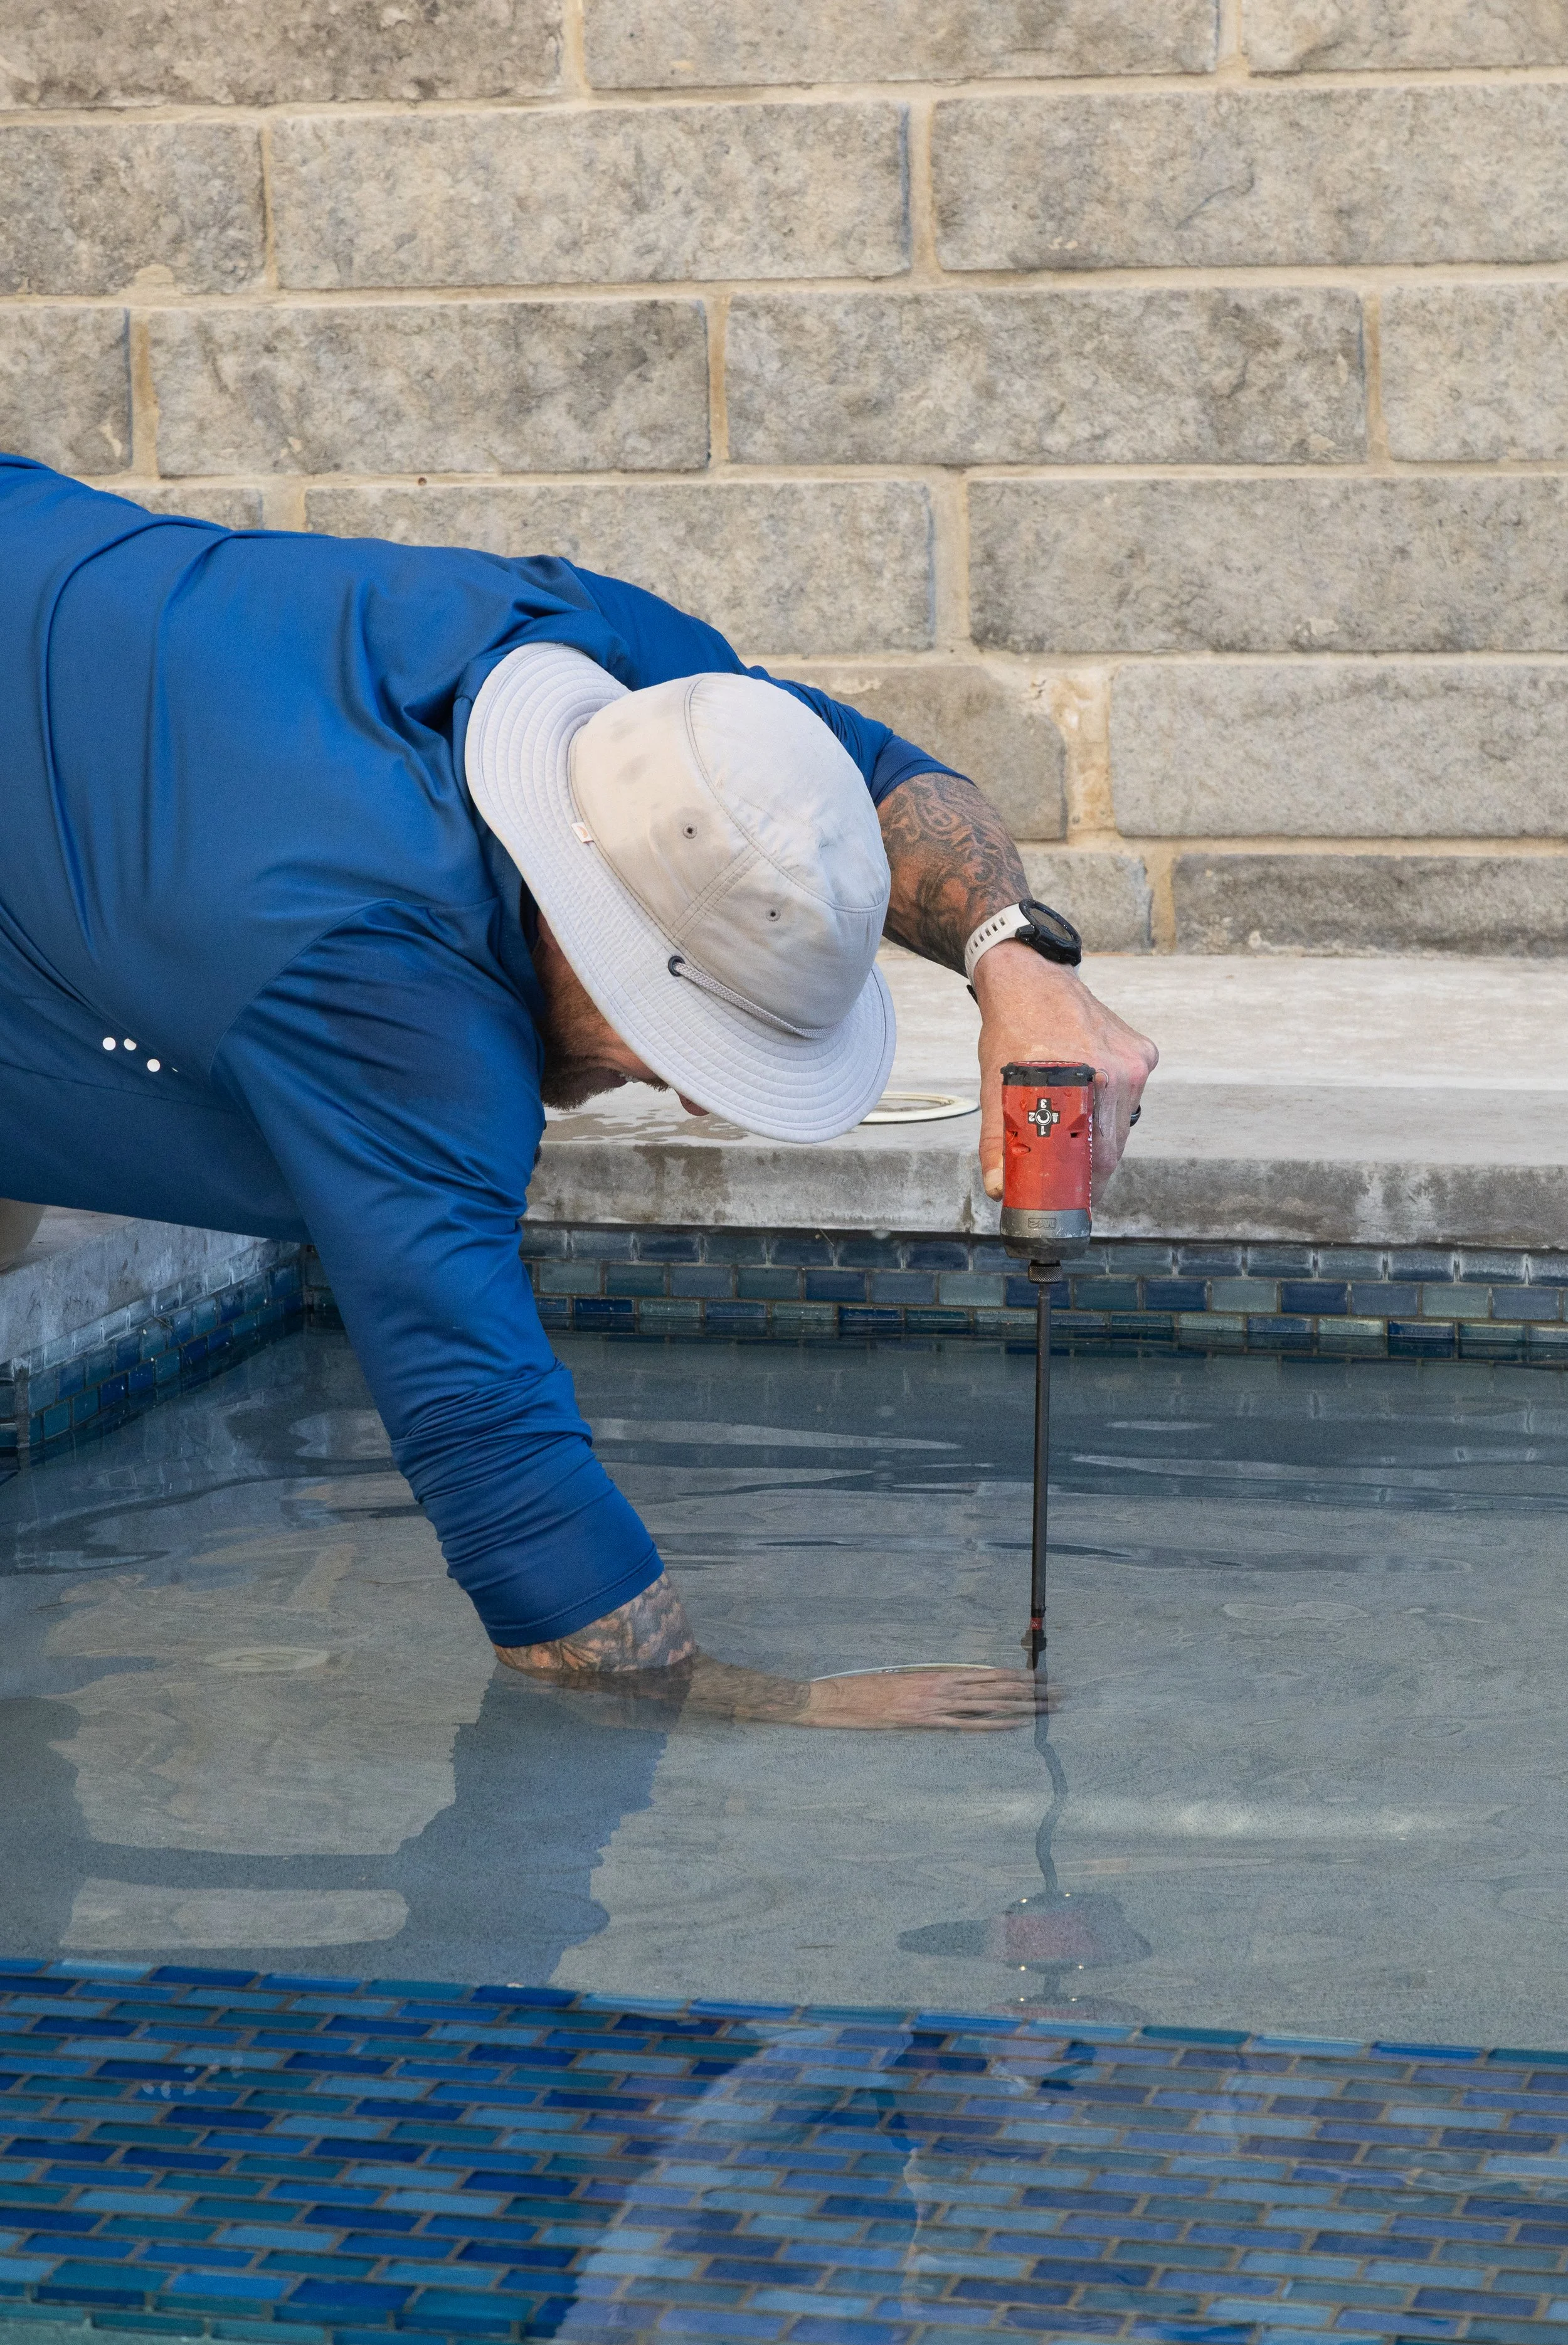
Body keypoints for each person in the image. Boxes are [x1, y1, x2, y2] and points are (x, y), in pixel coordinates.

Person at [0, 454, 1156, 1730]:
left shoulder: (592, 660)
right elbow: (484, 1437)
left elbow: (859, 771)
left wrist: (1018, 959)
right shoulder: (385, 1001)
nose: (688, 1096)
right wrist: (774, 1708)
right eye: (689, 1034)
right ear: (593, 932)